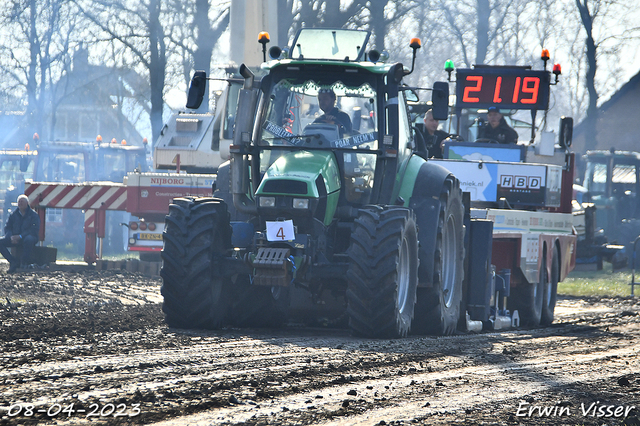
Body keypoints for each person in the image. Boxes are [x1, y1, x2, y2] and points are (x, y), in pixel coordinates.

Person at [0, 194, 40, 272]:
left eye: (22, 202)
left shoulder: (33, 215)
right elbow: (7, 227)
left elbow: (33, 229)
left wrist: (20, 236)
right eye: (19, 202)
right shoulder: (13, 215)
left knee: (29, 239)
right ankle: (13, 261)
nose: (20, 204)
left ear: (27, 203)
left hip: (28, 238)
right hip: (14, 237)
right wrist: (10, 236)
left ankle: (24, 263)